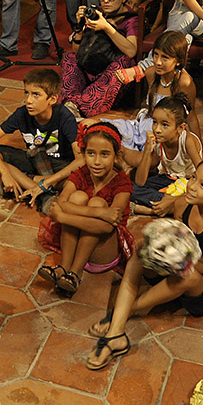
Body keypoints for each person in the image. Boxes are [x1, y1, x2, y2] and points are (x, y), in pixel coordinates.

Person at [84, 156, 203, 369]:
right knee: (142, 246)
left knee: (189, 276)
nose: (193, 187)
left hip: (200, 288)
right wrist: (157, 249)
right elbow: (175, 238)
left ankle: (124, 311)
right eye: (194, 178)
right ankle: (117, 334)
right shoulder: (182, 203)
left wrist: (172, 262)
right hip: (173, 270)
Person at [36, 121, 134, 296]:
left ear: (116, 156)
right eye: (91, 153)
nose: (96, 162)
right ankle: (64, 267)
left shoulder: (122, 184)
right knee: (78, 197)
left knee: (96, 202)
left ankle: (76, 272)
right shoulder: (81, 173)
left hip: (103, 253)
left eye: (105, 154)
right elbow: (62, 203)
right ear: (83, 154)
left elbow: (106, 226)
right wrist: (100, 213)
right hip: (76, 246)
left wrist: (63, 217)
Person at [0, 67, 81, 210]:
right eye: (26, 93)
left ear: (52, 99)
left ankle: (26, 183)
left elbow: (80, 160)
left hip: (59, 166)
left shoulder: (64, 117)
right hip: (34, 160)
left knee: (76, 179)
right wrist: (5, 173)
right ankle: (42, 194)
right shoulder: (22, 114)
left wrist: (47, 181)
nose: (28, 100)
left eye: (36, 95)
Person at [62, 0, 138, 117]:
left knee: (125, 62)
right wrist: (79, 27)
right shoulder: (97, 13)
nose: (106, 0)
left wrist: (106, 27)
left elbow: (131, 51)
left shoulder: (131, 19)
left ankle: (77, 106)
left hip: (109, 76)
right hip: (90, 67)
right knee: (69, 57)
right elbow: (78, 52)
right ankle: (71, 105)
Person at [131, 94, 203, 216]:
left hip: (189, 184)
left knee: (199, 199)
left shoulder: (187, 141)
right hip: (168, 180)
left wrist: (176, 197)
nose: (157, 129)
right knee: (131, 189)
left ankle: (165, 205)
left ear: (181, 128)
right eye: (155, 122)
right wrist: (147, 150)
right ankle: (168, 206)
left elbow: (202, 174)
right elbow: (140, 182)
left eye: (164, 125)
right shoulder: (160, 142)